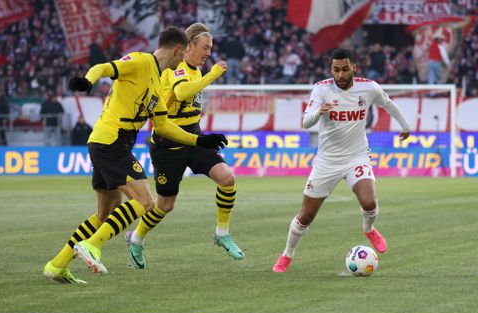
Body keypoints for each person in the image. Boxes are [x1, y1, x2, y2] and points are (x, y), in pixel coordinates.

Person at [43, 26, 228, 284]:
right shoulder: (141, 61)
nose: (184, 58)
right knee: (145, 202)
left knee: (105, 213)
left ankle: (57, 264)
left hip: (106, 143)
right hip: (111, 140)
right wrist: (87, 81)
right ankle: (92, 246)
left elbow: (163, 126)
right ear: (177, 49)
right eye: (184, 51)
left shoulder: (157, 81)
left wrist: (200, 140)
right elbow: (104, 68)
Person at [272, 48, 411, 273]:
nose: (341, 75)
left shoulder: (368, 88)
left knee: (369, 202)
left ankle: (369, 229)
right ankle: (287, 254)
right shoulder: (321, 89)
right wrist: (319, 111)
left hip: (357, 155)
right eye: (336, 70)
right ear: (331, 69)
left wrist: (405, 127)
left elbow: (388, 103)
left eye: (345, 69)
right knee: (306, 215)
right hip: (327, 161)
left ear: (354, 67)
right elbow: (306, 122)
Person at [125, 23, 243, 270]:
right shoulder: (175, 67)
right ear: (189, 46)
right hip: (169, 144)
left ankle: (222, 233)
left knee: (227, 178)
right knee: (166, 204)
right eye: (205, 47)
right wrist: (213, 75)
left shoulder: (196, 70)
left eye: (210, 47)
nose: (209, 52)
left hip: (194, 137)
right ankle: (136, 238)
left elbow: (189, 98)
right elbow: (180, 93)